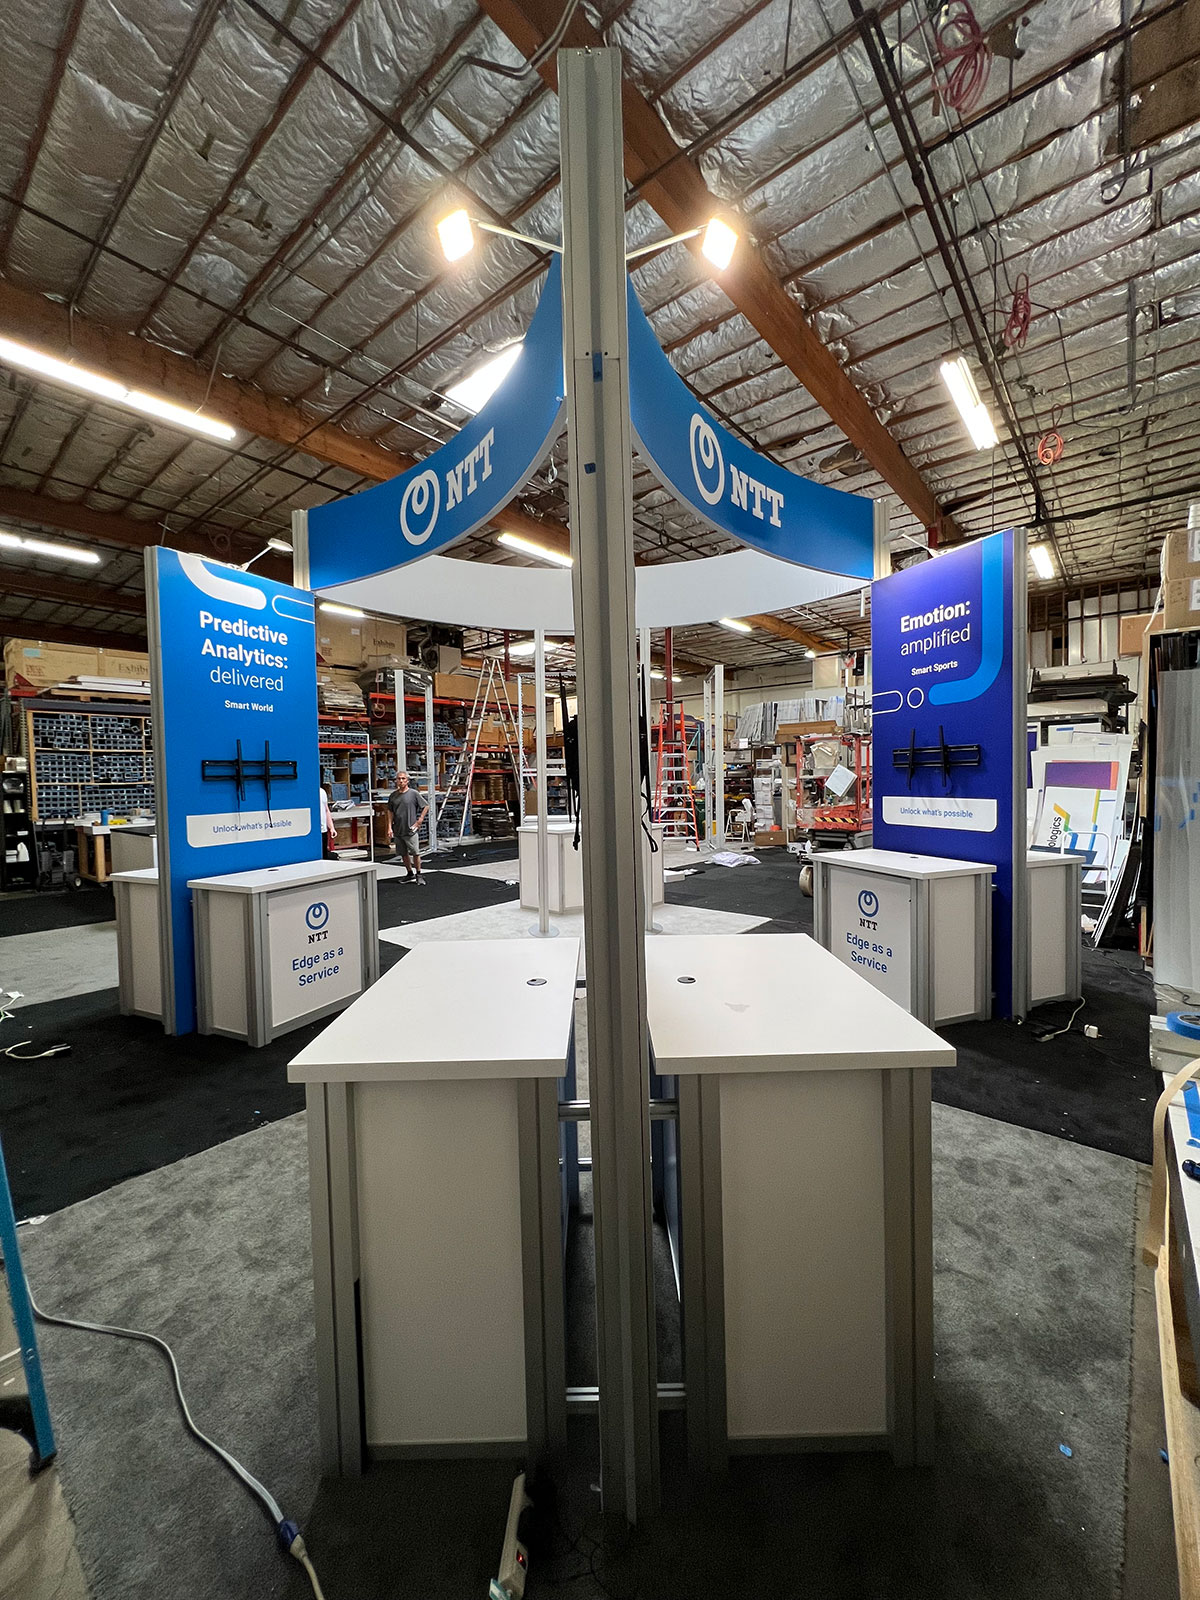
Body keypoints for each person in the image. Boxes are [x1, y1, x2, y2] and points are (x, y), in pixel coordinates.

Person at [387, 772, 428, 884]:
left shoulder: (413, 794)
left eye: (403, 778)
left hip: (410, 829)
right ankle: (409, 873)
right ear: (396, 780)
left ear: (407, 781)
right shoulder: (393, 796)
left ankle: (419, 874)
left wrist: (420, 820)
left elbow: (425, 806)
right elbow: (390, 812)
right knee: (403, 853)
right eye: (399, 779)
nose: (401, 781)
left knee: (415, 852)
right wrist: (389, 827)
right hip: (398, 829)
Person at [319, 783, 338, 858]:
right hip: (314, 831)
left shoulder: (322, 792)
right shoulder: (308, 792)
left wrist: (331, 828)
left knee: (324, 855)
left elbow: (326, 810)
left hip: (323, 831)